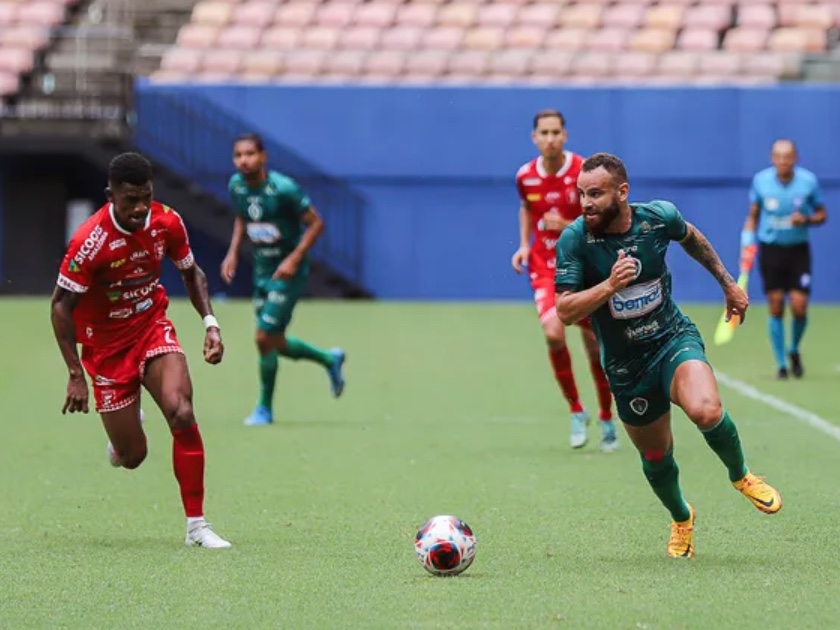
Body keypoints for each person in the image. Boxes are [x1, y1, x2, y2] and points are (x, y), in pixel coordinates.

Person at [555, 152, 782, 558]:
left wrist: (728, 284)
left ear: (622, 192)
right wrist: (609, 286)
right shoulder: (575, 240)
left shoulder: (657, 218)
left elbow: (691, 236)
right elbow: (565, 311)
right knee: (656, 455)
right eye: (581, 194)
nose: (586, 203)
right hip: (626, 365)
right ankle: (681, 517)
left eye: (596, 194)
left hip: (671, 339)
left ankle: (742, 475)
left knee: (706, 411)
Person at [50, 152, 232, 549]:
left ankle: (196, 527)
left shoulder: (167, 222)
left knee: (181, 411)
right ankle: (122, 440)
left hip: (151, 327)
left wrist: (210, 323)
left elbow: (191, 273)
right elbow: (61, 306)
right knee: (133, 457)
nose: (139, 208)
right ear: (111, 195)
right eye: (130, 199)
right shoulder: (89, 241)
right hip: (106, 348)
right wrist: (75, 374)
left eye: (146, 197)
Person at [221, 133, 346, 426]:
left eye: (250, 154)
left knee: (263, 337)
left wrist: (293, 258)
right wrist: (233, 252)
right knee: (274, 342)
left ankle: (264, 409)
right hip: (262, 272)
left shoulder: (284, 189)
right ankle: (329, 359)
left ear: (263, 157)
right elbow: (242, 217)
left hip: (287, 274)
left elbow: (316, 224)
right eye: (238, 155)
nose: (244, 160)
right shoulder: (236, 186)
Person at [511, 109, 616, 452]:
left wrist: (569, 224)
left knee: (595, 347)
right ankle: (576, 410)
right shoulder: (525, 176)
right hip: (545, 266)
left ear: (565, 135)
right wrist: (524, 245)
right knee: (554, 333)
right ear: (534, 138)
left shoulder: (583, 172)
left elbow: (600, 219)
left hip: (582, 266)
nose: (550, 138)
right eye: (544, 133)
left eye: (556, 132)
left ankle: (606, 416)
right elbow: (527, 208)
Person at [743, 139, 827, 379]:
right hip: (771, 249)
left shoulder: (808, 182)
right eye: (778, 156)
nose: (783, 161)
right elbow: (753, 215)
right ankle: (781, 364)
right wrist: (747, 242)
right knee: (776, 303)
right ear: (772, 158)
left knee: (799, 306)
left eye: (787, 156)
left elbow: (822, 214)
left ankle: (794, 349)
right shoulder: (761, 181)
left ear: (795, 158)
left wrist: (807, 220)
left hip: (798, 250)